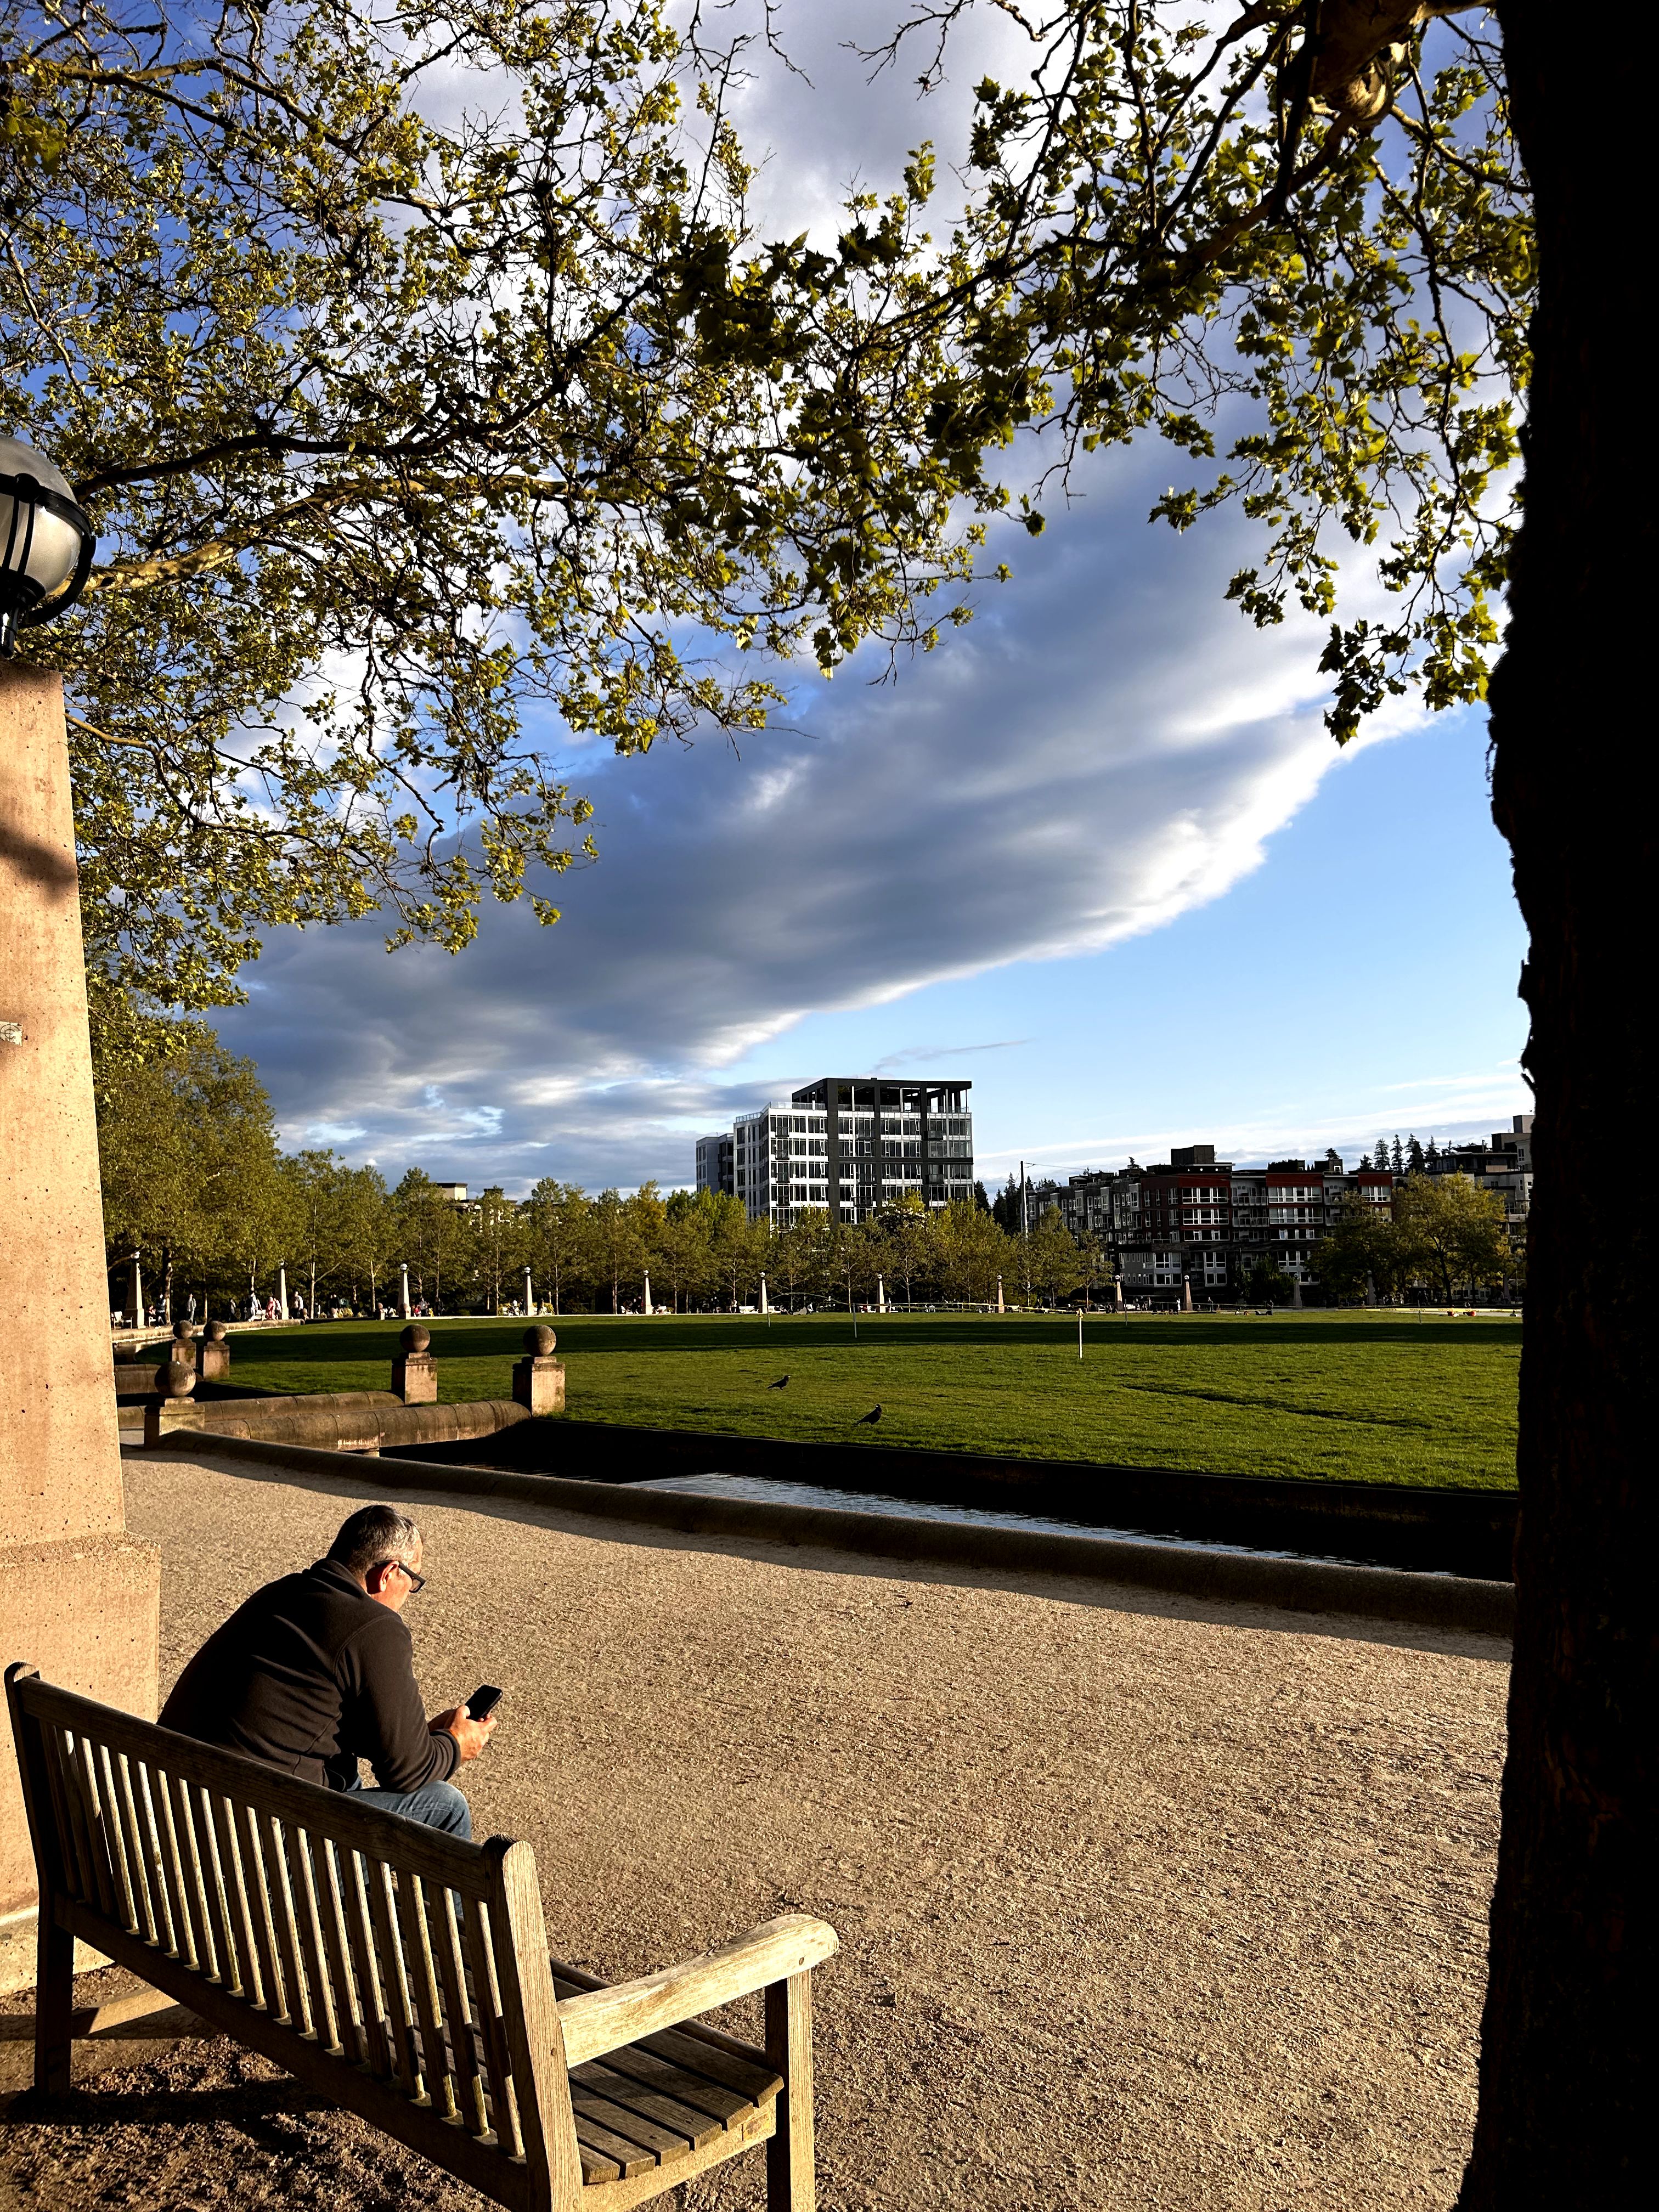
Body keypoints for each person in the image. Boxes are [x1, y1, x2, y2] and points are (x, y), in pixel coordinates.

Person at [160, 1504, 493, 1835]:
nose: (410, 1592)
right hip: (256, 1842)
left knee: (344, 1771)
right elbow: (407, 1773)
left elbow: (299, 1713)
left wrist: (414, 1739)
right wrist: (454, 1744)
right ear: (388, 1574)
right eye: (413, 1580)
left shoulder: (280, 1594)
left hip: (174, 1815)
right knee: (446, 1806)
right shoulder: (376, 1626)